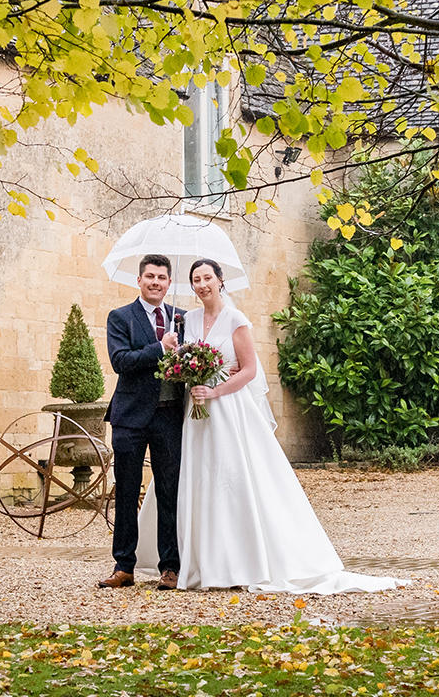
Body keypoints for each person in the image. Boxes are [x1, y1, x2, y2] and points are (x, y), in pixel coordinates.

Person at [136, 258, 408, 594]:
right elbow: (176, 365)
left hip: (227, 411)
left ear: (221, 281)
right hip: (195, 413)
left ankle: (239, 564)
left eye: (208, 277)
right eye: (196, 279)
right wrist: (182, 369)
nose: (202, 284)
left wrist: (216, 389)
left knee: (231, 480)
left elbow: (249, 370)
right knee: (198, 481)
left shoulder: (236, 320)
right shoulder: (186, 320)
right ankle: (201, 565)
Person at [98, 253, 184, 590]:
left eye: (162, 278)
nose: (155, 283)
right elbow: (121, 361)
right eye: (150, 276)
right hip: (130, 419)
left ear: (168, 283)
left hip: (168, 417)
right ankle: (124, 566)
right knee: (127, 492)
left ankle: (170, 567)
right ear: (139, 280)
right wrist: (160, 348)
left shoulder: (181, 317)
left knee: (169, 493)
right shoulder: (120, 317)